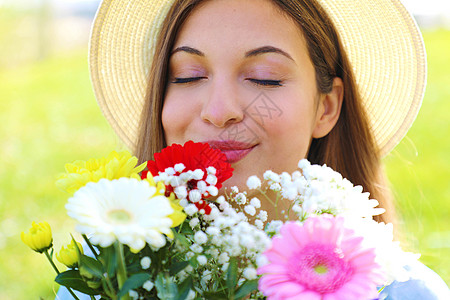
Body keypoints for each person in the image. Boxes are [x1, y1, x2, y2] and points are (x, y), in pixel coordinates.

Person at [57, 0, 449, 299]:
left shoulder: (403, 291)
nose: (220, 110)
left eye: (265, 79)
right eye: (188, 76)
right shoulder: (105, 280)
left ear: (326, 107)